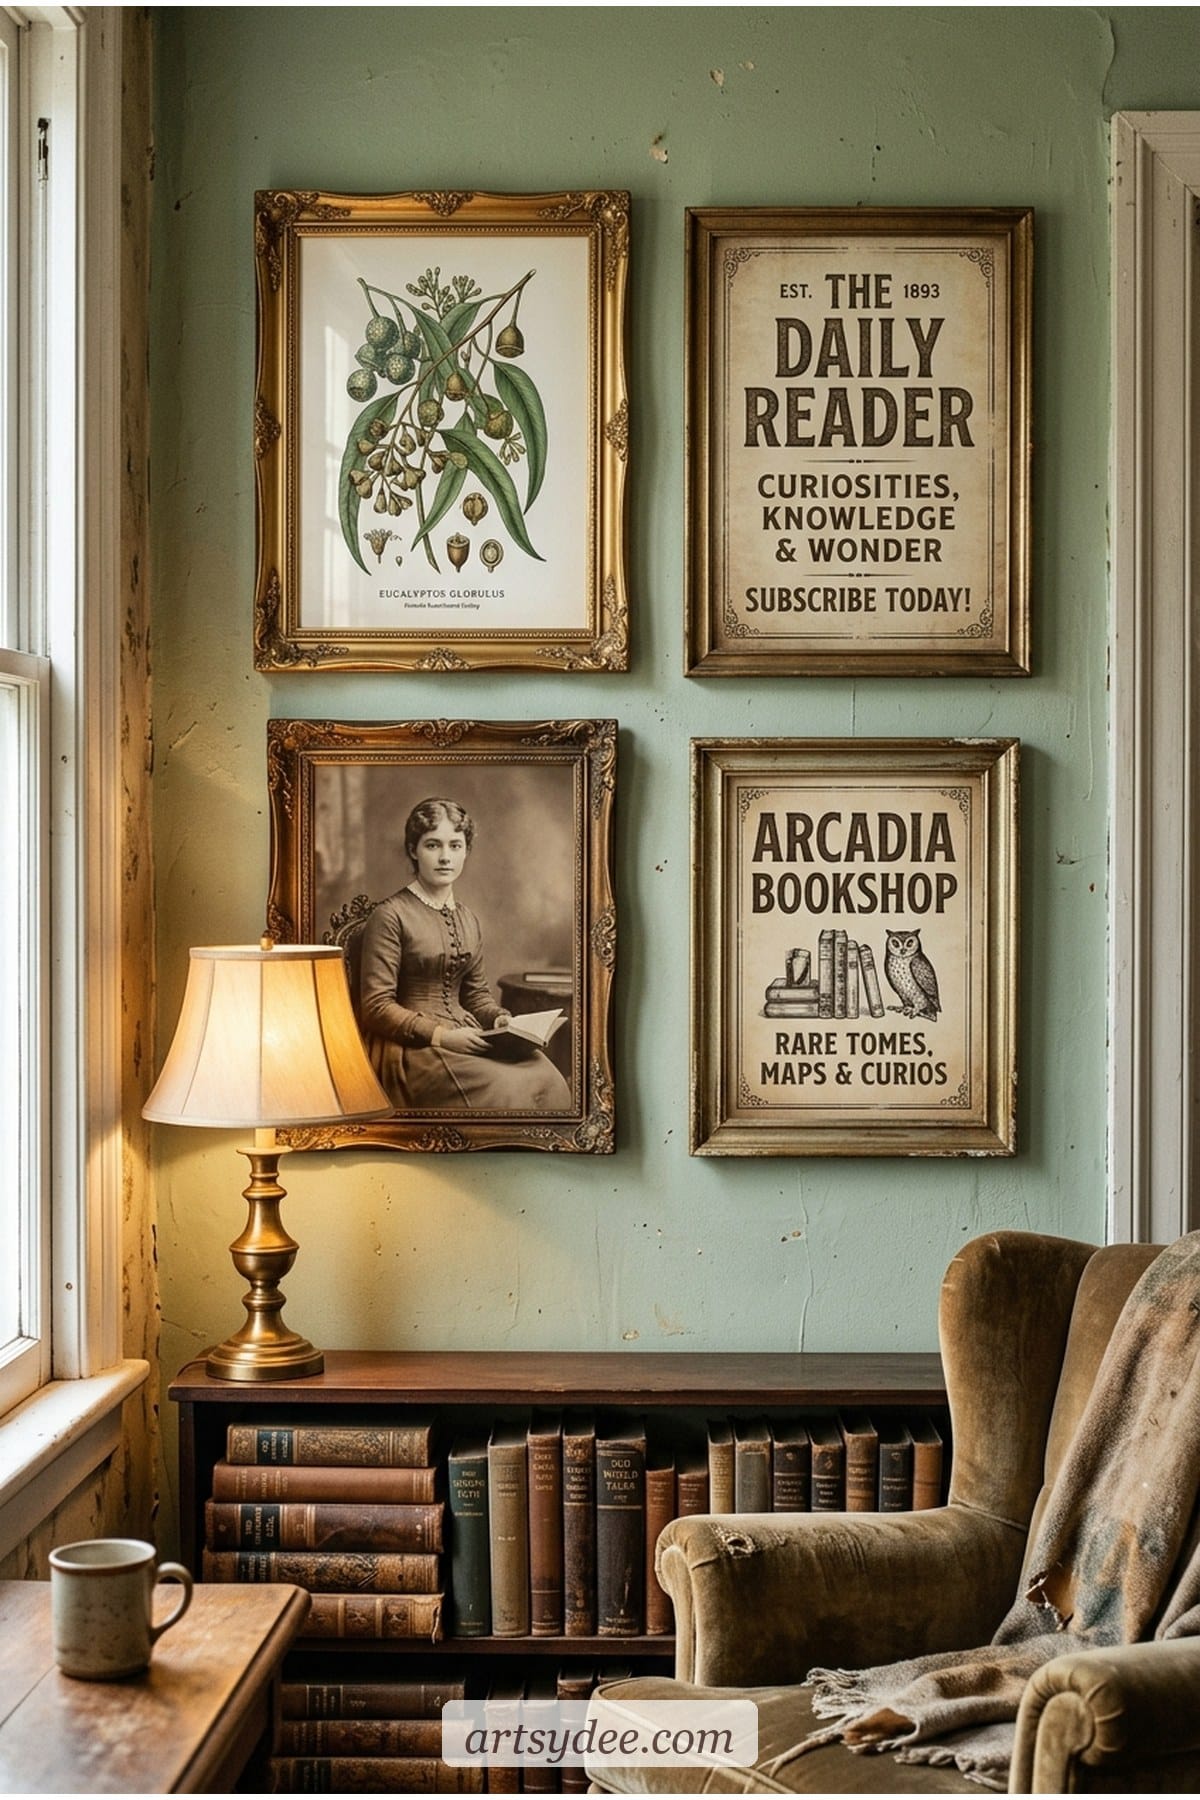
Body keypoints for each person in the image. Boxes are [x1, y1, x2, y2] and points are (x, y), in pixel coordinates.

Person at [357, 797, 572, 1112]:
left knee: (546, 1075)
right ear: (413, 850)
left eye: (455, 846)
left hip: (468, 1034)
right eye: (433, 845)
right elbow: (376, 1007)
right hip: (412, 1048)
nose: (445, 857)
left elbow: (476, 995)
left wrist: (500, 1019)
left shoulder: (468, 918)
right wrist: (441, 1036)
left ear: (466, 851)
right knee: (506, 1088)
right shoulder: (390, 916)